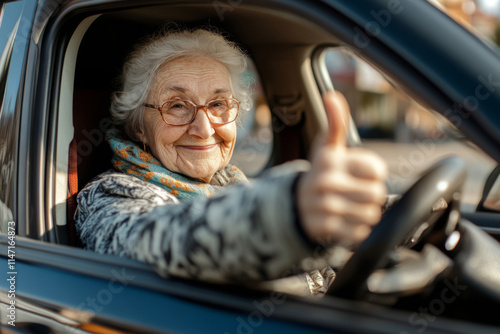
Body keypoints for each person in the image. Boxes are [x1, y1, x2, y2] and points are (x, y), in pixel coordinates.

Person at [75, 28, 388, 295]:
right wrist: (287, 212)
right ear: (138, 126)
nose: (204, 128)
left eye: (218, 104)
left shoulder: (230, 182)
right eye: (177, 105)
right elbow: (161, 242)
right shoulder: (108, 195)